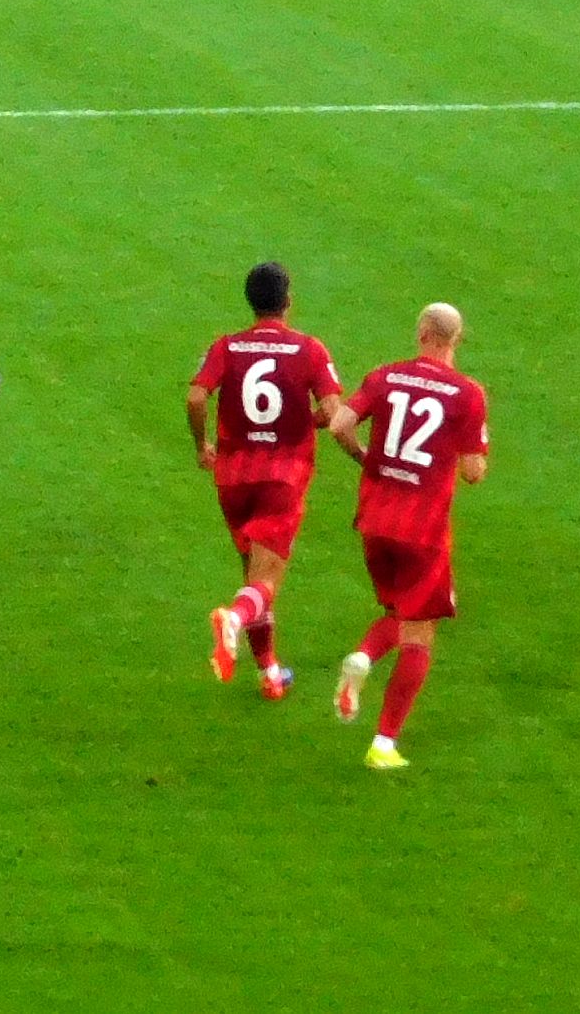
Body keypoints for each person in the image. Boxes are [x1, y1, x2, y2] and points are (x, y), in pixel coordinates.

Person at [327, 303, 489, 769]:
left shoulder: (385, 376)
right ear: (457, 339)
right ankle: (384, 743)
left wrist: (364, 457)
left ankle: (364, 654)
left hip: (375, 520)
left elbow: (340, 423)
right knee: (419, 631)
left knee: (397, 609)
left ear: (420, 332)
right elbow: (474, 472)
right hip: (424, 529)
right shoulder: (468, 394)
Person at [187, 262, 344, 699]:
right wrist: (305, 420)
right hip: (282, 477)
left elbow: (197, 395)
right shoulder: (309, 350)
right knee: (265, 582)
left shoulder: (227, 346)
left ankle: (269, 673)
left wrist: (202, 446)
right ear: (288, 300)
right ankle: (233, 619)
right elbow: (334, 412)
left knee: (253, 575)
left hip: (233, 477)